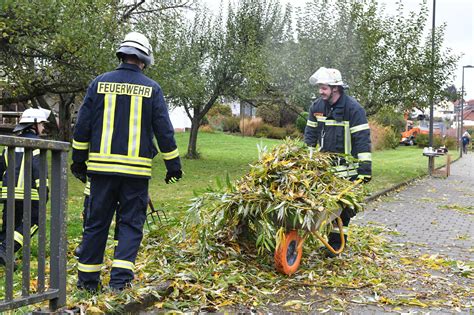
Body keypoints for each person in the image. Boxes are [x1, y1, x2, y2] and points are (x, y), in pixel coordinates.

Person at [71, 31, 182, 292]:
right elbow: (164, 130)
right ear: (144, 60)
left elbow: (82, 126)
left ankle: (87, 283)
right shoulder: (152, 89)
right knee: (131, 224)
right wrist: (173, 165)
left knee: (96, 224)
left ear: (121, 55)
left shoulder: (98, 83)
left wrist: (78, 161)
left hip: (101, 171)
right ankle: (120, 284)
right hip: (135, 174)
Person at [304, 67, 372, 257]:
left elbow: (362, 140)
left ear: (335, 88)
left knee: (343, 211)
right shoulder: (317, 107)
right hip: (325, 169)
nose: (320, 91)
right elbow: (310, 137)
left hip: (347, 171)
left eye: (324, 88)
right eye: (319, 87)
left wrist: (365, 168)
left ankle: (335, 246)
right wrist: (305, 161)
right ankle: (331, 243)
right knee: (324, 207)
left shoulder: (353, 110)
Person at [0, 108, 51, 266]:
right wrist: (44, 192)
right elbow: (39, 170)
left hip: (9, 194)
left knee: (10, 225)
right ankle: (6, 249)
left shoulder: (10, 145)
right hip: (30, 195)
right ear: (34, 124)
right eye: (42, 124)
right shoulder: (36, 145)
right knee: (34, 222)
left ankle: (4, 255)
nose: (43, 128)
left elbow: (1, 167)